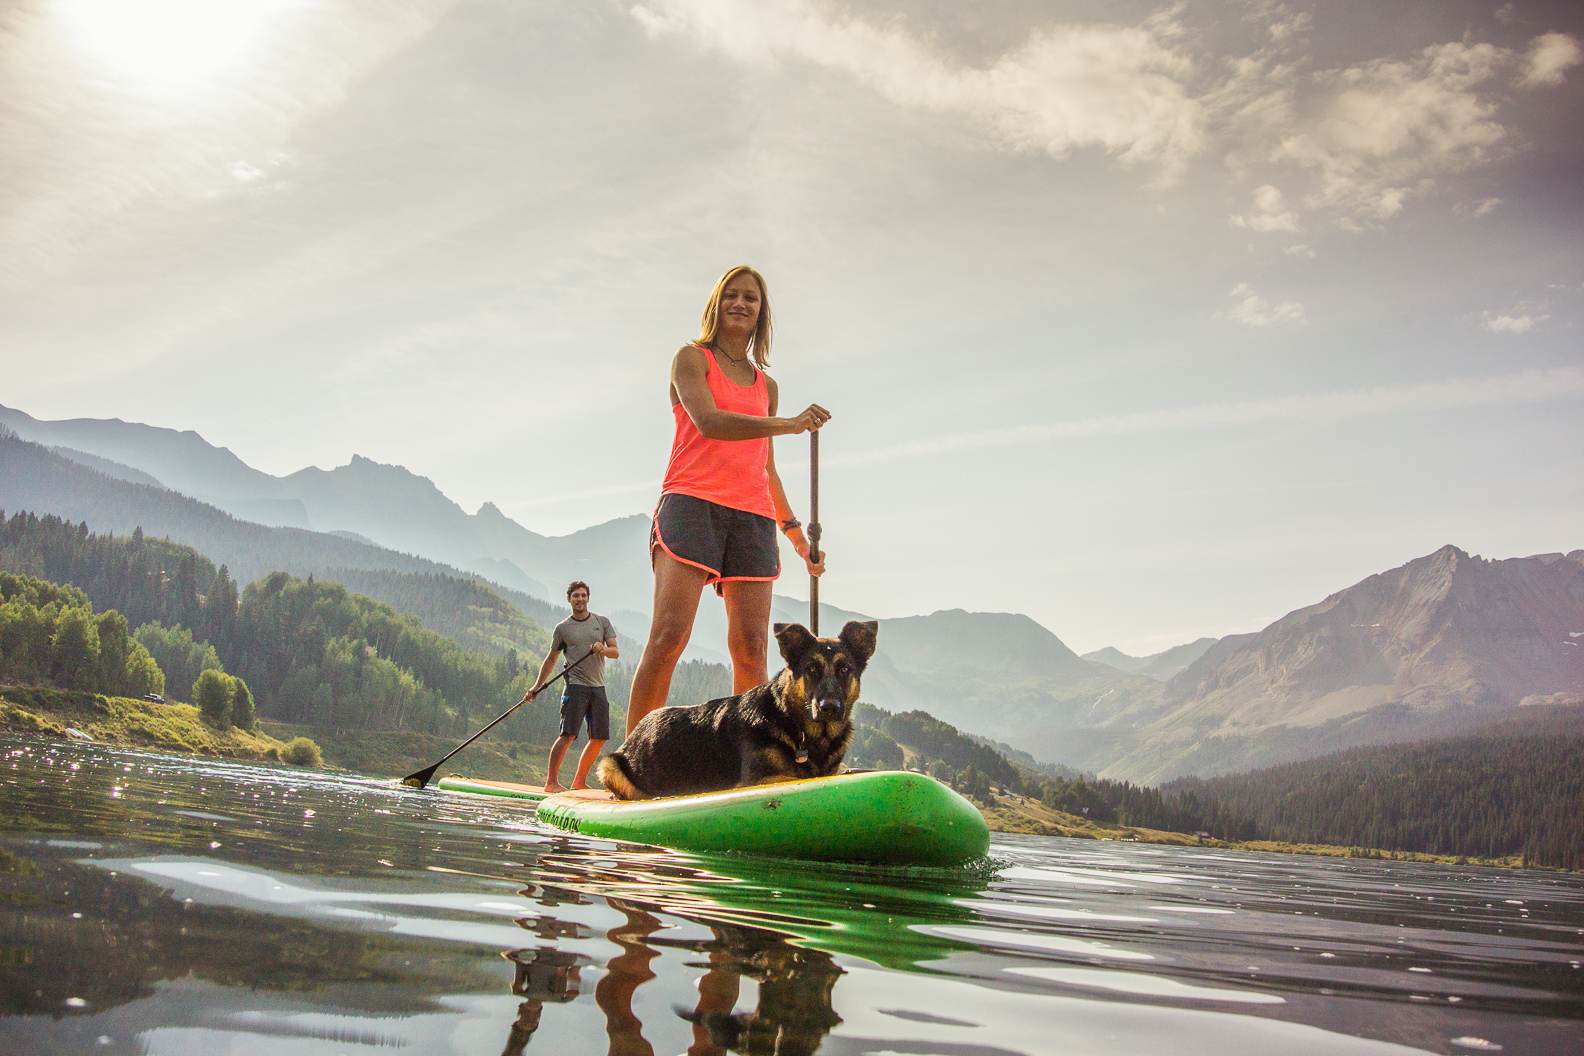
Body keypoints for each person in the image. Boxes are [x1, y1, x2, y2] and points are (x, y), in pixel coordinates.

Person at [625, 265, 828, 737]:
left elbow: (766, 466)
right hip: (692, 504)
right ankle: (632, 761)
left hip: (754, 516)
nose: (741, 303)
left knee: (753, 648)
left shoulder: (766, 386)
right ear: (717, 303)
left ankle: (746, 763)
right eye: (732, 295)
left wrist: (796, 536)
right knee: (669, 637)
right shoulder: (690, 359)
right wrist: (791, 424)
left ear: (762, 313)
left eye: (751, 298)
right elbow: (710, 422)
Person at [524, 581, 618, 792]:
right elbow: (551, 659)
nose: (580, 599)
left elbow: (615, 652)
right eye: (576, 596)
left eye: (583, 595)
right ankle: (551, 783)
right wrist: (536, 686)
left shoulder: (601, 622)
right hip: (575, 687)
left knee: (599, 737)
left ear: (588, 598)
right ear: (569, 599)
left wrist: (602, 649)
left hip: (598, 687)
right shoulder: (563, 628)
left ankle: (578, 781)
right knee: (568, 735)